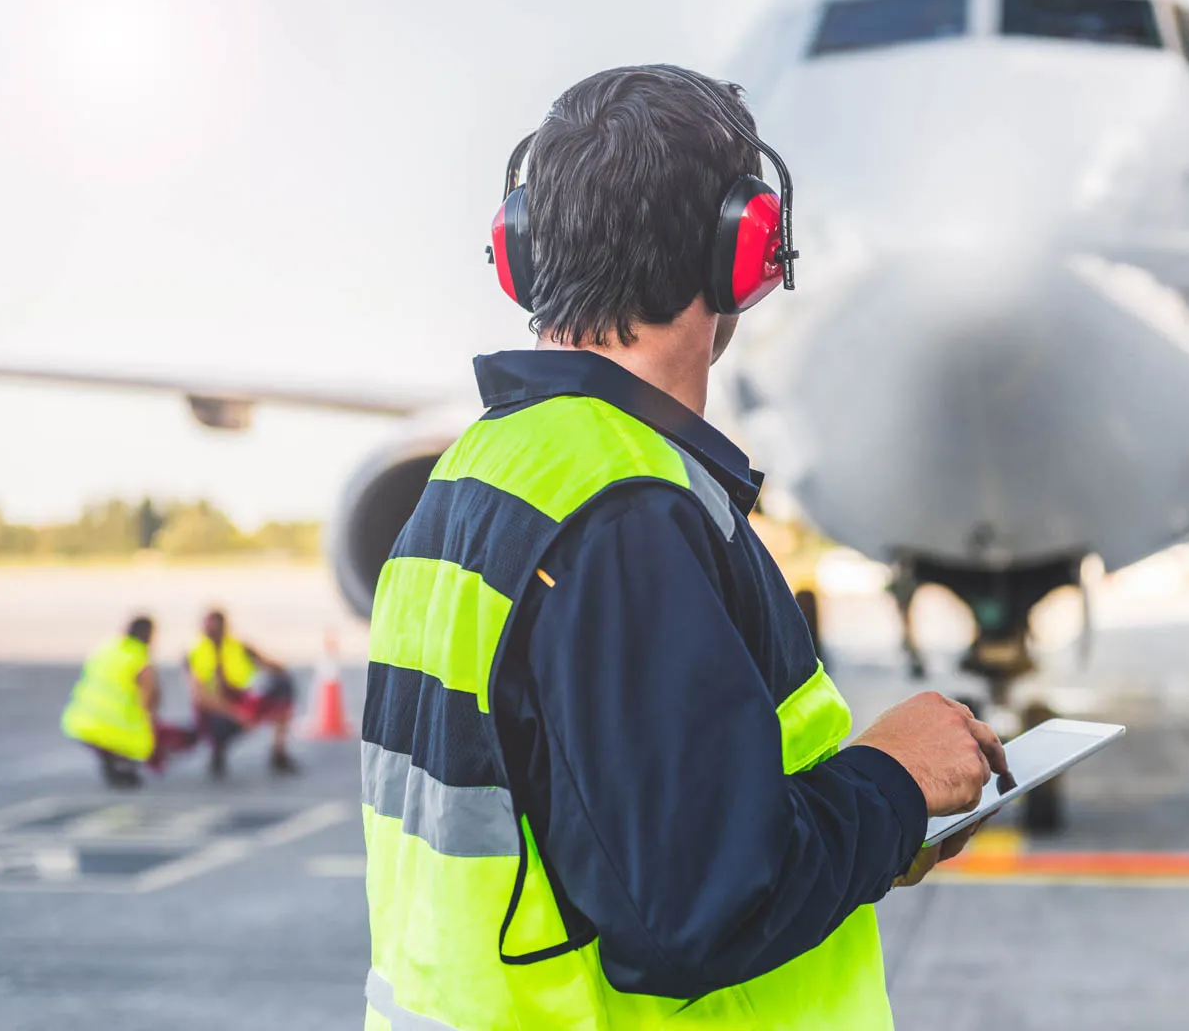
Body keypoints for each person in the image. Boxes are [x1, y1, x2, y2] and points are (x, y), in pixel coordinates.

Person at [360, 64, 1008, 1030]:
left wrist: (872, 834)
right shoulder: (625, 512)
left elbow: (603, 833)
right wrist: (894, 782)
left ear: (524, 253)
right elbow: (695, 914)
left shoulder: (478, 472)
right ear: (747, 251)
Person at [187, 609, 298, 778]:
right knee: (217, 722)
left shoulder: (238, 648)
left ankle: (279, 752)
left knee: (283, 687)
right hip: (216, 711)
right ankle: (218, 751)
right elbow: (201, 697)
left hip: (241, 700)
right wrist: (236, 714)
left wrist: (274, 663)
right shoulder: (197, 654)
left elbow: (272, 666)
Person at [61, 615, 164, 788]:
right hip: (115, 728)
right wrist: (150, 721)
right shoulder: (139, 657)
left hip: (80, 722)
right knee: (148, 740)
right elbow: (147, 699)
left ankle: (114, 761)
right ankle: (123, 764)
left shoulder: (107, 649)